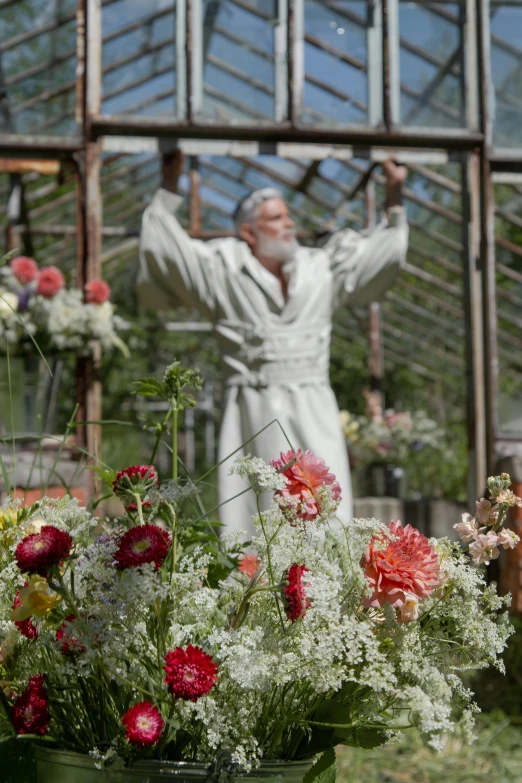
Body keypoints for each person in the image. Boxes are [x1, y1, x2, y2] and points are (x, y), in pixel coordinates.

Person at [137, 148, 408, 538]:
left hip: (315, 407)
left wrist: (394, 198)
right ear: (249, 232)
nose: (289, 224)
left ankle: (329, 593)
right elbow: (165, 249)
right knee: (255, 516)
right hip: (252, 408)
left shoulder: (320, 267)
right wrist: (168, 185)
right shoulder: (222, 269)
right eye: (276, 218)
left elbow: (379, 257)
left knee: (326, 514)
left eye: (288, 215)